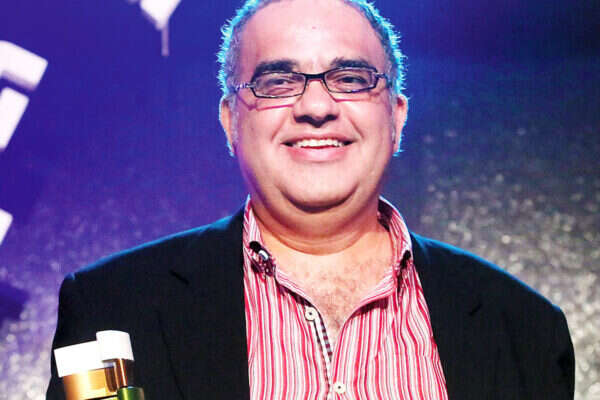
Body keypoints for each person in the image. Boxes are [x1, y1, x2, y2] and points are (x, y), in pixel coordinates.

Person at [47, 0, 575, 399]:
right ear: (231, 121)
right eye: (278, 81)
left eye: (351, 78)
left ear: (397, 116)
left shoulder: (525, 327)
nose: (316, 106)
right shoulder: (113, 306)